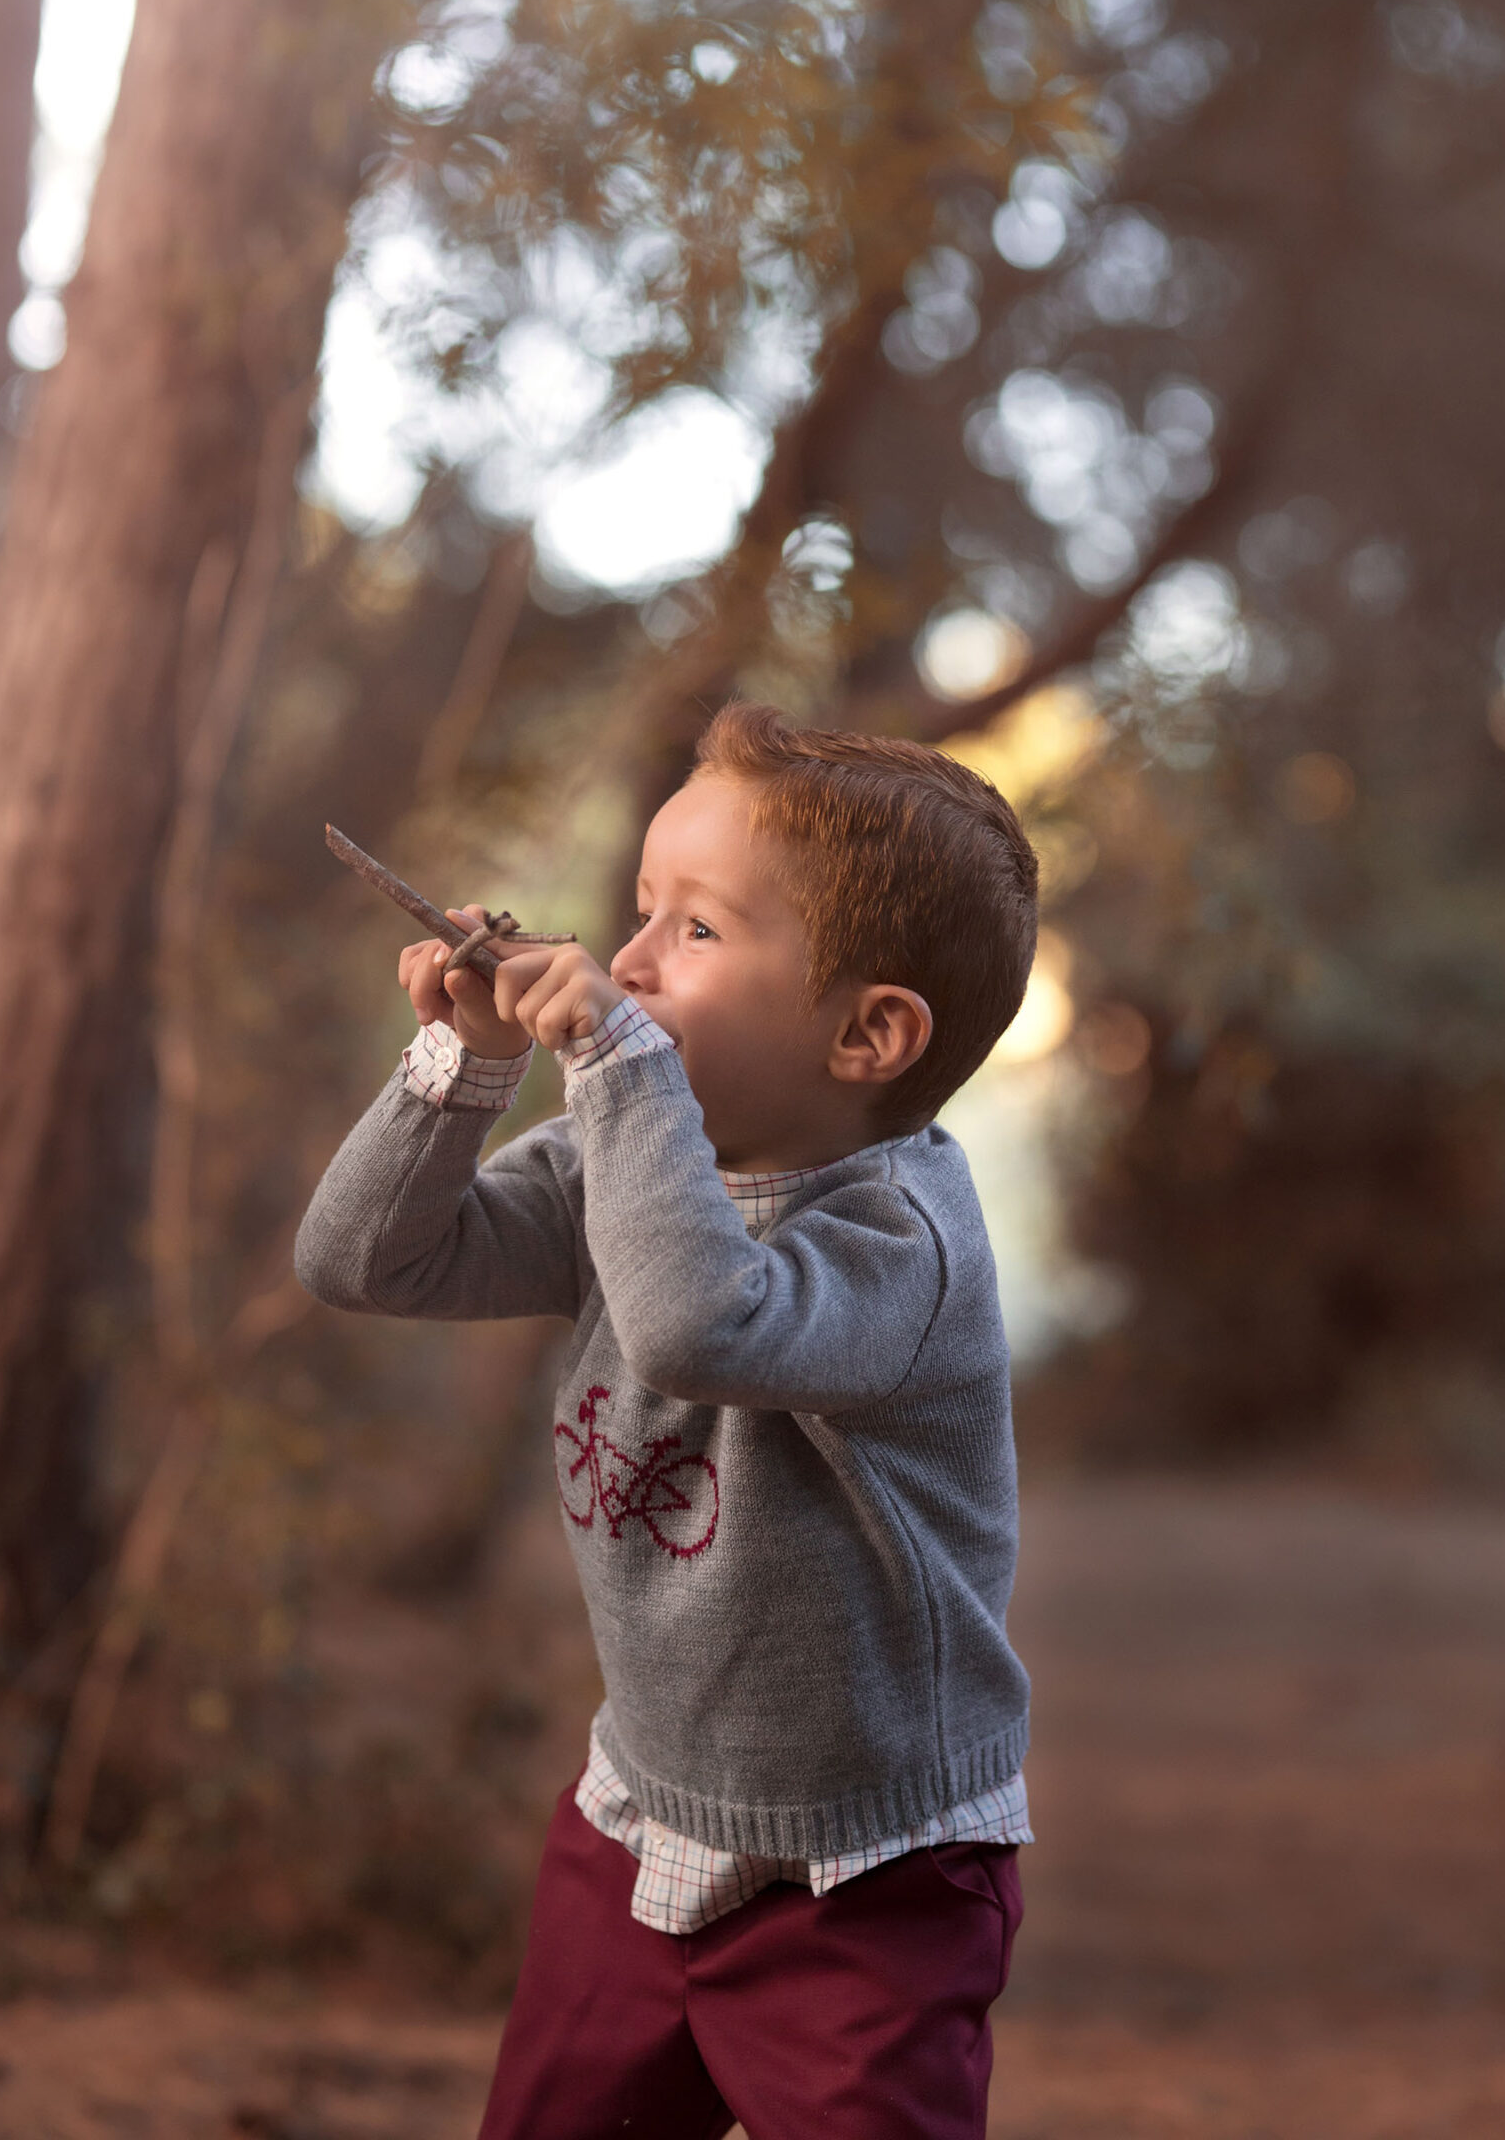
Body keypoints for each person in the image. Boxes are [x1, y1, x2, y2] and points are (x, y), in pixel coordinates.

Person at [295, 702, 1039, 2140]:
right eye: (641, 910)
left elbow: (701, 1323)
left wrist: (621, 1069)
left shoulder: (904, 1239)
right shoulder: (610, 1160)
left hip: (865, 1878)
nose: (629, 960)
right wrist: (463, 1068)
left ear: (869, 1033)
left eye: (696, 930)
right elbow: (367, 1260)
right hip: (638, 1820)